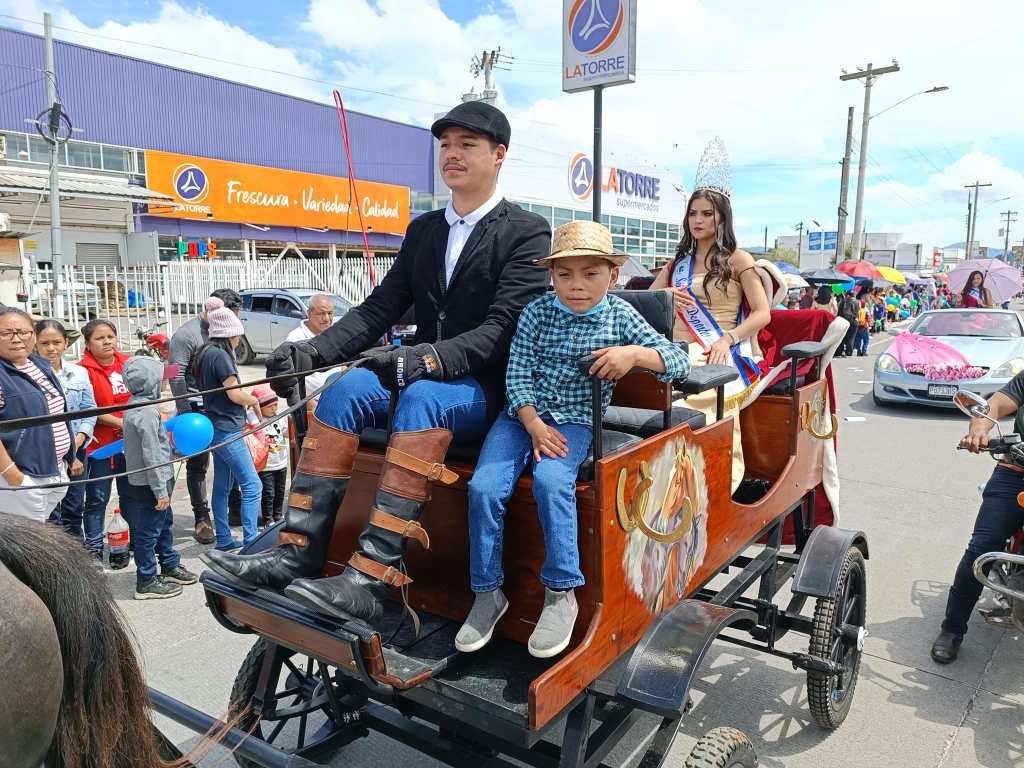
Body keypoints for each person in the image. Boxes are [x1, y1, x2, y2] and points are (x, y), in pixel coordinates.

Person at [203, 100, 551, 628]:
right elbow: (378, 309)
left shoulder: (526, 231)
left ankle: (371, 578)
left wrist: (427, 357)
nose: (452, 155)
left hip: (484, 387)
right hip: (423, 372)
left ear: (499, 155)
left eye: (467, 145)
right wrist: (312, 352)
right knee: (344, 390)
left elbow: (503, 329)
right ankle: (295, 555)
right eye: (446, 145)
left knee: (419, 395)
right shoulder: (425, 229)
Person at [455, 221, 690, 657]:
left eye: (590, 274)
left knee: (551, 482)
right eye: (565, 275)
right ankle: (487, 592)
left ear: (612, 276)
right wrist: (531, 424)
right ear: (552, 276)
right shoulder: (536, 313)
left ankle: (561, 591)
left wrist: (634, 354)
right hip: (521, 419)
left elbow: (678, 359)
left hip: (577, 423)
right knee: (483, 488)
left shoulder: (621, 315)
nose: (576, 285)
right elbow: (518, 373)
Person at [650, 185, 770, 493]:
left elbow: (762, 313)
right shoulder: (677, 264)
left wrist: (726, 340)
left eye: (707, 213)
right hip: (674, 347)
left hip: (716, 346)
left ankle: (713, 480)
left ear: (722, 219)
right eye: (692, 213)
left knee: (694, 394)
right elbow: (647, 299)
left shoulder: (738, 259)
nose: (698, 220)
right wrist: (666, 296)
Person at [933, 372, 1024, 663]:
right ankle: (952, 629)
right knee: (983, 546)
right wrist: (979, 429)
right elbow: (993, 408)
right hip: (1017, 471)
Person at [167, 288, 243, 545]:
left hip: (222, 411)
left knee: (230, 461)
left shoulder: (224, 332)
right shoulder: (184, 335)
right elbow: (172, 375)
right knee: (198, 465)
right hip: (195, 412)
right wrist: (184, 411)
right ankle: (202, 517)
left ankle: (235, 509)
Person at [119, 356, 199, 599]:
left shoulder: (139, 406)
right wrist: (160, 490)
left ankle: (169, 564)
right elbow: (151, 455)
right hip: (151, 484)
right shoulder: (145, 413)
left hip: (154, 480)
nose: (165, 382)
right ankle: (146, 580)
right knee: (148, 531)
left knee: (163, 524)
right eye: (161, 378)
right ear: (150, 382)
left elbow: (156, 448)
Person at [191, 299, 262, 550]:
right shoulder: (221, 356)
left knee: (222, 485)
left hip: (214, 425)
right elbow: (234, 393)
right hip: (227, 429)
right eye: (237, 335)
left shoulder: (204, 351)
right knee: (253, 485)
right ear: (230, 333)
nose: (238, 340)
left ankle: (223, 538)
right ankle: (252, 540)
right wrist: (253, 400)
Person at [0, 308, 71, 520]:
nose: (17, 339)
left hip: (54, 469)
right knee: (24, 543)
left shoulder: (40, 365)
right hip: (21, 476)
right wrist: (11, 473)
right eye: (6, 333)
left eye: (24, 332)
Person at [34, 319, 96, 539]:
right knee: (49, 510)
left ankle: (77, 554)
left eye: (56, 342)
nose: (51, 348)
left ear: (65, 343)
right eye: (45, 343)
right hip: (45, 454)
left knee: (74, 506)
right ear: (35, 343)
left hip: (77, 449)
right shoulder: (29, 376)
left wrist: (76, 445)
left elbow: (89, 409)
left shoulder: (78, 373)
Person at [79, 319, 131, 561]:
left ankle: (128, 543)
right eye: (100, 338)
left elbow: (144, 394)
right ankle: (94, 548)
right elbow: (91, 409)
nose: (107, 341)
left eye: (110, 336)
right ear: (88, 344)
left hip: (130, 442)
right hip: (100, 447)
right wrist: (121, 423)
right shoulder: (83, 371)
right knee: (98, 497)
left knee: (130, 493)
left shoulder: (127, 364)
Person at [285, 294, 346, 394]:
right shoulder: (295, 339)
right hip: (314, 402)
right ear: (309, 314)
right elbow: (290, 379)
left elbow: (343, 365)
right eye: (321, 313)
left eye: (330, 313)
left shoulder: (334, 334)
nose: (326, 318)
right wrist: (308, 403)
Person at [250, 384, 288, 527]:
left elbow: (285, 432)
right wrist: (253, 407)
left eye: (275, 405)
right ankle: (268, 518)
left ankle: (278, 514)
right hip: (266, 465)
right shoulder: (256, 421)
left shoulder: (279, 417)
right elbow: (249, 414)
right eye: (269, 406)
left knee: (280, 491)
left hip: (281, 462)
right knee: (268, 493)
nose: (274, 408)